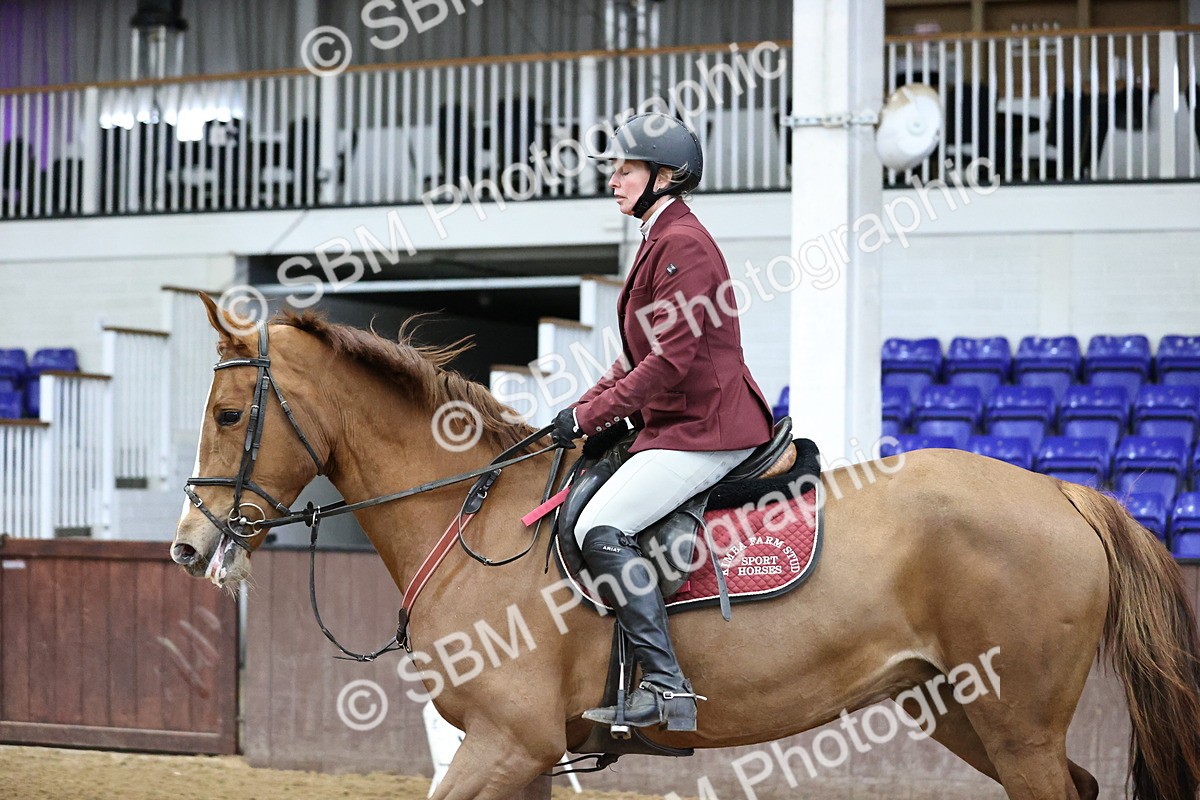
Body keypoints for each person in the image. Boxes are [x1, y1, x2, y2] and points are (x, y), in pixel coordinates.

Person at [551, 113, 775, 732]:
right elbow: (636, 356)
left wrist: (594, 412)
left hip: (707, 429)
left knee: (601, 523)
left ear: (666, 175)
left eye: (626, 170)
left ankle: (665, 685)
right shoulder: (660, 236)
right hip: (677, 423)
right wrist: (577, 411)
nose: (614, 181)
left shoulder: (683, 243)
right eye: (615, 171)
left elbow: (671, 363)